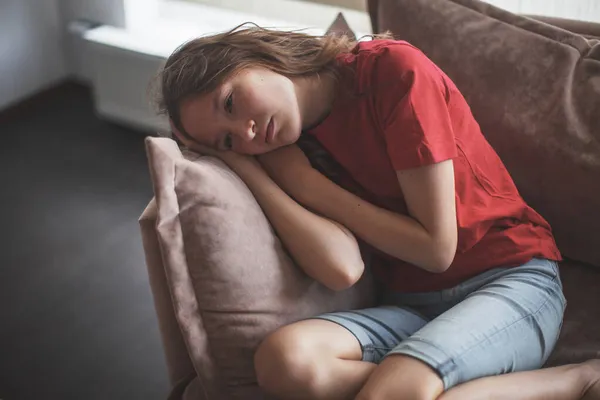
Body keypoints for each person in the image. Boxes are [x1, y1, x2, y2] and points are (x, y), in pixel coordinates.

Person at [155, 24, 600, 400]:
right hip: (414, 307)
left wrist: (309, 185)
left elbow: (436, 249)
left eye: (230, 103)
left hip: (512, 278)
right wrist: (251, 171)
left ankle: (573, 379)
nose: (247, 133)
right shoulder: (283, 146)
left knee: (396, 391)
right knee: (284, 362)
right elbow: (342, 268)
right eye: (228, 141)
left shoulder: (392, 71)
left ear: (255, 56)